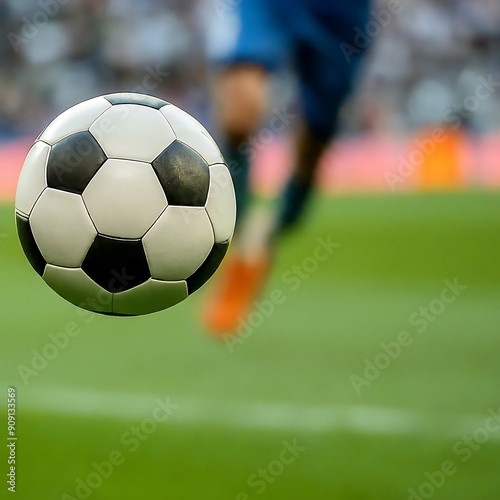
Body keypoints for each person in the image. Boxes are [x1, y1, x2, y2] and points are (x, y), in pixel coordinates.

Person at [203, 0, 371, 334]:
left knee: (317, 133)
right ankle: (231, 231)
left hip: (341, 11)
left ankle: (270, 229)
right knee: (241, 108)